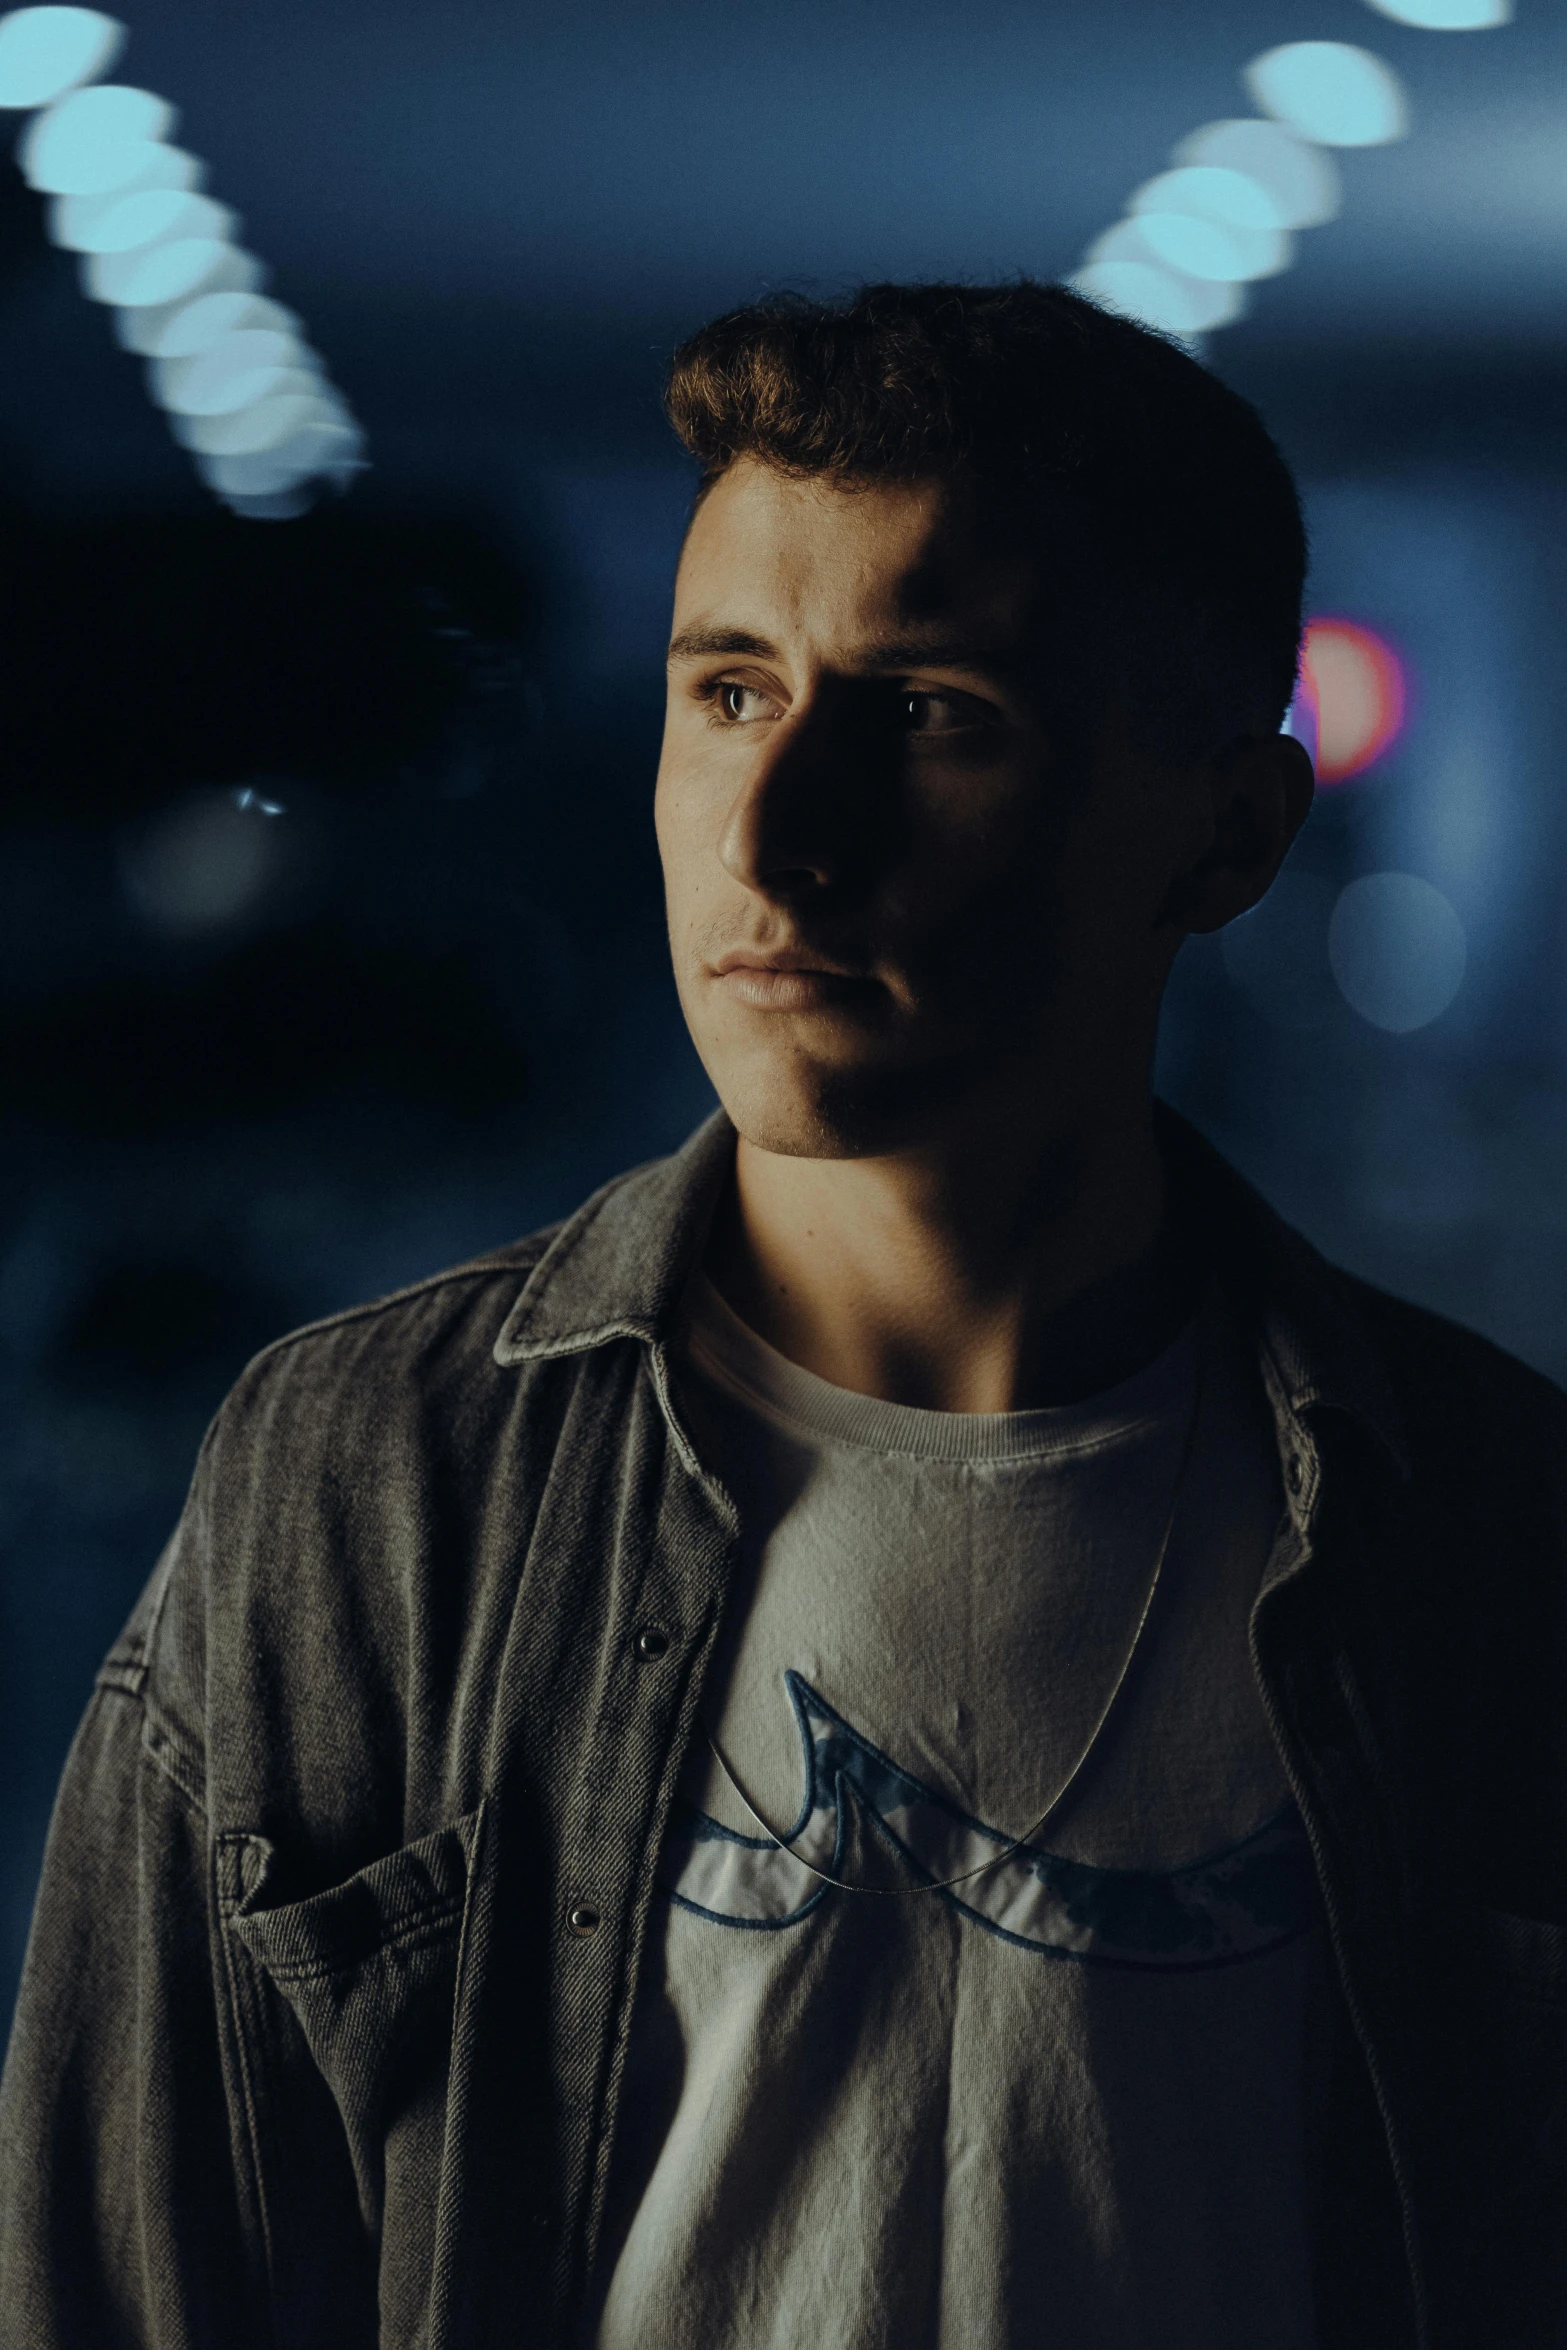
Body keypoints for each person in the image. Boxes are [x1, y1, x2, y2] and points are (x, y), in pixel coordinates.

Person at [1, 281, 1563, 2350]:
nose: (778, 835)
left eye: (930, 711)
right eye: (730, 691)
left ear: (1227, 835)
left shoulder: (1477, 1529)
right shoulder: (368, 1488)